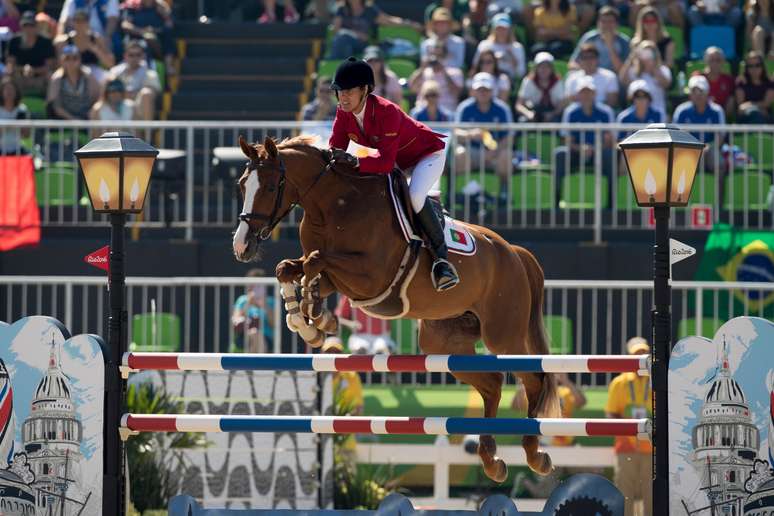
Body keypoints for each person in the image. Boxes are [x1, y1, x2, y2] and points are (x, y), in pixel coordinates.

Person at [328, 57, 460, 291]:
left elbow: (385, 163)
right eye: (339, 91)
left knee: (415, 197)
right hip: (399, 163)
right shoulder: (343, 113)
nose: (343, 97)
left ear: (365, 90)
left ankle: (442, 261)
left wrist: (355, 161)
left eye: (348, 91)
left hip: (426, 157)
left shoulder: (387, 111)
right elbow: (335, 150)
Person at [605, 337, 652, 516]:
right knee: (624, 495)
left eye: (644, 353)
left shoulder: (659, 380)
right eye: (637, 354)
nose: (641, 357)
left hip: (652, 448)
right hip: (626, 447)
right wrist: (624, 430)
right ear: (629, 357)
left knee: (653, 496)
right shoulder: (620, 383)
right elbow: (611, 413)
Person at [554, 76, 614, 205]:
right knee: (560, 154)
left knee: (610, 155)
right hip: (576, 152)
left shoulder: (606, 112)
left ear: (595, 94)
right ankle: (556, 200)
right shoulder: (570, 112)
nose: (586, 95)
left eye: (589, 92)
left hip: (599, 152)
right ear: (578, 94)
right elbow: (567, 140)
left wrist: (595, 148)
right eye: (583, 92)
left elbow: (609, 141)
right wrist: (580, 148)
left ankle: (611, 202)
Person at [454, 72, 513, 196]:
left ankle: (504, 192)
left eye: (486, 89)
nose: (483, 93)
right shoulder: (464, 108)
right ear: (474, 91)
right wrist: (470, 134)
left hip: (495, 152)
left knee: (506, 155)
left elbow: (508, 137)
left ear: (492, 90)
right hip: (472, 151)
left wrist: (495, 151)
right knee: (459, 154)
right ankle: (462, 193)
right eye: (479, 89)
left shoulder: (502, 109)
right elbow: (456, 132)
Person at [326, 0, 422, 59]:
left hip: (363, 45)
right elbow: (336, 30)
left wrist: (410, 24)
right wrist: (356, 34)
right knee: (343, 37)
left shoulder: (369, 10)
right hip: (345, 44)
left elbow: (389, 21)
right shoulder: (341, 10)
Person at [673, 75, 725, 171]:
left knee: (719, 163)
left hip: (710, 150)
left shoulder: (717, 111)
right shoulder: (681, 111)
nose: (697, 95)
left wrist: (707, 148)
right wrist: (695, 149)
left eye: (701, 91)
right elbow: (676, 137)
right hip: (687, 151)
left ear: (707, 92)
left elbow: (720, 137)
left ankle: (720, 186)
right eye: (694, 91)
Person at [54, 8, 115, 83]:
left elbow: (110, 64)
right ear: (73, 22)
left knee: (110, 79)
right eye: (77, 21)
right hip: (70, 70)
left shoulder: (96, 39)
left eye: (83, 21)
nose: (80, 24)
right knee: (55, 78)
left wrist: (95, 49)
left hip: (93, 71)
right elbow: (59, 64)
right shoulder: (64, 41)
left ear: (88, 23)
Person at [5, 11, 56, 97]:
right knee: (6, 78)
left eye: (31, 26)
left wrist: (33, 71)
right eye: (25, 26)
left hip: (41, 77)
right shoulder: (14, 41)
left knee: (51, 77)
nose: (28, 29)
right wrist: (23, 70)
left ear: (36, 27)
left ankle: (49, 106)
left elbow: (50, 66)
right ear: (21, 27)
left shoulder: (46, 42)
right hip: (19, 76)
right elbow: (10, 65)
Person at [109, 40, 161, 120]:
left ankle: (147, 131)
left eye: (138, 55)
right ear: (125, 56)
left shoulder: (151, 74)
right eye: (131, 55)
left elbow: (152, 96)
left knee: (146, 94)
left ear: (143, 56)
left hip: (138, 112)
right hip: (117, 106)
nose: (134, 58)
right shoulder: (115, 72)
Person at [120, 0, 176, 75]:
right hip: (136, 39)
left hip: (158, 40)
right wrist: (142, 32)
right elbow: (125, 25)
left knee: (167, 37)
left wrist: (164, 15)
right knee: (144, 44)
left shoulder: (161, 6)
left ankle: (168, 65)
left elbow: (169, 25)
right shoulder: (132, 5)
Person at [618, 41, 672, 117]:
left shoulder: (663, 70)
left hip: (658, 114)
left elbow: (666, 84)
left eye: (650, 53)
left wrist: (653, 68)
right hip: (637, 115)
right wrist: (631, 58)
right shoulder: (634, 71)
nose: (647, 55)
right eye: (644, 52)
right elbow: (622, 79)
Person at [46, 45, 100, 120]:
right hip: (63, 121)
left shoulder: (88, 76)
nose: (71, 62)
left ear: (80, 60)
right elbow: (55, 106)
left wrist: (88, 116)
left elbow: (97, 99)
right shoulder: (57, 78)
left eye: (75, 58)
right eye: (67, 58)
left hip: (86, 120)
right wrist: (73, 119)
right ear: (62, 60)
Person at [570, 6, 629, 73]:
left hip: (613, 80)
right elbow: (573, 63)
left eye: (610, 21)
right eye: (603, 21)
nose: (606, 25)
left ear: (617, 24)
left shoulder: (624, 42)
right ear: (598, 23)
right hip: (590, 77)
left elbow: (622, 71)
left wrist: (610, 45)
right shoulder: (589, 38)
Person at [408, 41, 464, 113]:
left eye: (439, 56)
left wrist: (444, 72)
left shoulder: (455, 72)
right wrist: (422, 69)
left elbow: (456, 93)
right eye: (433, 55)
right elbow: (412, 88)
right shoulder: (423, 72)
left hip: (447, 111)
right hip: (423, 111)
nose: (436, 59)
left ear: (446, 57)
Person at [472, 13, 526, 81]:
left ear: (510, 30)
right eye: (498, 28)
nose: (501, 31)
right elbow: (476, 66)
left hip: (509, 80)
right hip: (486, 79)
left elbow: (521, 73)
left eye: (504, 29)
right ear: (493, 30)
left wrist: (512, 58)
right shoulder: (484, 45)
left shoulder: (517, 47)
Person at [231, 269, 274, 353]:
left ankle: (249, 365)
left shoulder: (271, 301)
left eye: (258, 286)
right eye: (252, 285)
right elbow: (235, 321)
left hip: (266, 337)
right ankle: (259, 364)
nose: (254, 289)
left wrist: (265, 306)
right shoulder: (242, 300)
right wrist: (248, 304)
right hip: (243, 336)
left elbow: (274, 324)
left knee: (256, 334)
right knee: (255, 334)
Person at [515, 51, 566, 122]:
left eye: (547, 66)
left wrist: (552, 114)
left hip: (552, 112)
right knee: (522, 121)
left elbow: (562, 105)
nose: (544, 69)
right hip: (533, 111)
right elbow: (519, 105)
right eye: (541, 66)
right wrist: (528, 114)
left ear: (552, 68)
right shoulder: (529, 81)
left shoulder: (558, 81)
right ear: (536, 68)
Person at [565, 43, 619, 108]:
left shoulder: (609, 76)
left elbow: (612, 102)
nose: (588, 61)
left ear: (597, 59)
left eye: (591, 57)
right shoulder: (572, 77)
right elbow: (569, 101)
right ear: (579, 60)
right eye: (584, 58)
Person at [693, 46, 735, 117]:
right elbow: (694, 99)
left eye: (718, 60)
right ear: (705, 61)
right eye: (711, 60)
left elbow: (730, 103)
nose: (715, 63)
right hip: (699, 117)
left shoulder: (729, 80)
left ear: (723, 61)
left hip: (720, 117)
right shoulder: (697, 77)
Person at [735, 51, 774, 123]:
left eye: (757, 65)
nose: (754, 68)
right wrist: (757, 108)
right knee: (754, 113)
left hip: (766, 118)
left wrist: (749, 105)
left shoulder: (769, 83)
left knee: (757, 114)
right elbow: (740, 106)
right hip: (746, 118)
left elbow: (766, 103)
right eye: (750, 66)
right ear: (746, 68)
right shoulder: (741, 83)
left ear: (762, 66)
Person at [0, 78, 31, 155]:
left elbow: (26, 135)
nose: (9, 92)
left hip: (17, 149)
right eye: (6, 89)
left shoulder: (22, 109)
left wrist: (21, 128)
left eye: (11, 89)